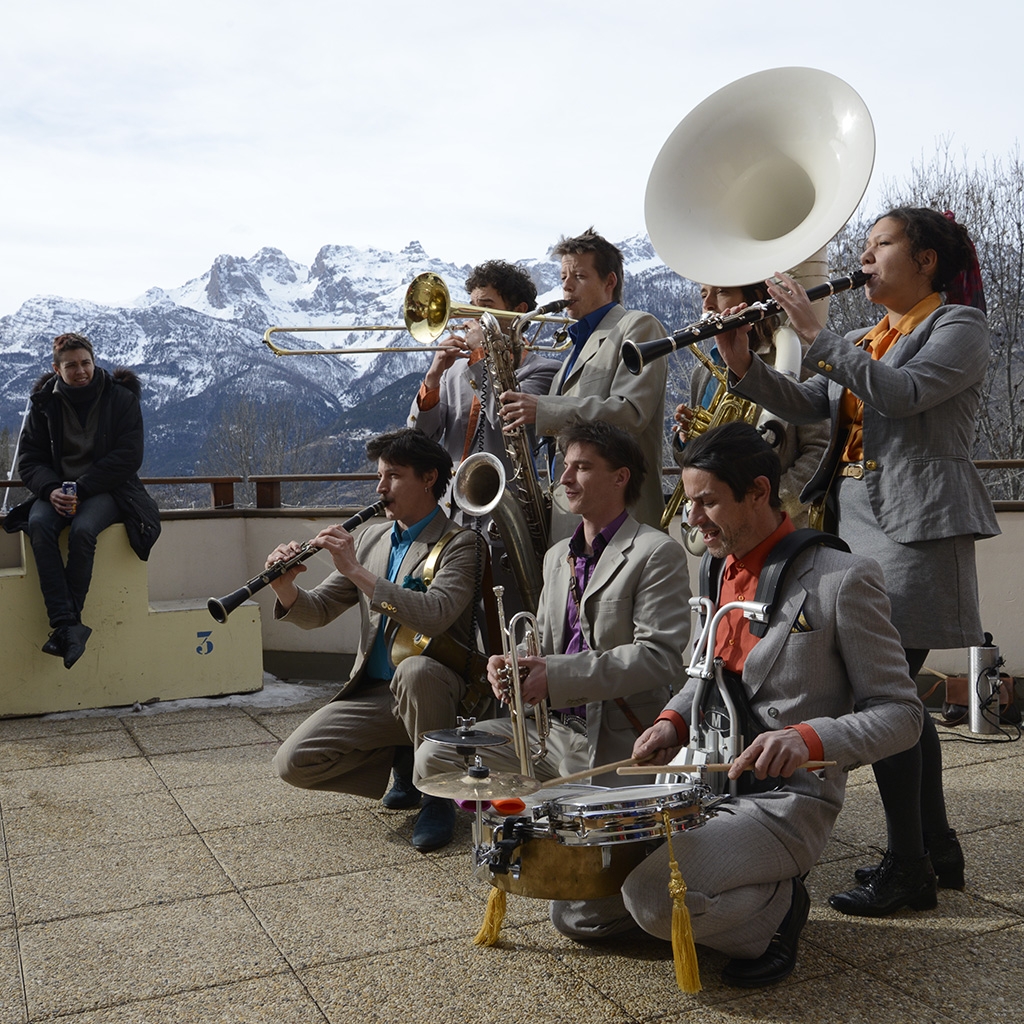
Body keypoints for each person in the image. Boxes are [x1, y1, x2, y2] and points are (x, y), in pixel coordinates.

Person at [553, 422, 923, 987]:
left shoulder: (843, 579)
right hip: (699, 786)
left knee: (652, 900)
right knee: (575, 908)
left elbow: (902, 714)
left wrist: (809, 738)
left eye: (707, 502)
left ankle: (777, 912)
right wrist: (671, 721)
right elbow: (704, 674)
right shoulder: (713, 568)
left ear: (757, 491)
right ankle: (720, 899)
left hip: (785, 802)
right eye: (690, 500)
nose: (692, 519)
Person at [716, 207, 1000, 916]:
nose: (864, 258)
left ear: (926, 260)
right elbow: (814, 405)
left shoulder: (958, 327)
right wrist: (741, 359)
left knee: (883, 699)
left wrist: (815, 333)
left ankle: (908, 869)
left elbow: (900, 396)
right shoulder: (870, 335)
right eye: (864, 247)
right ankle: (935, 847)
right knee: (898, 699)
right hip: (857, 529)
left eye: (880, 246)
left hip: (913, 532)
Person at [415, 418, 690, 814]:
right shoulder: (556, 556)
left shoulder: (656, 551)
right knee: (433, 758)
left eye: (582, 466)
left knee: (557, 814)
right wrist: (510, 666)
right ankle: (520, 815)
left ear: (620, 478)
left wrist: (555, 677)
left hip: (610, 737)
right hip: (547, 731)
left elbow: (658, 658)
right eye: (565, 466)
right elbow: (539, 645)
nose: (565, 478)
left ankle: (529, 817)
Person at [269, 428, 487, 852]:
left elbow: (436, 614)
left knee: (415, 670)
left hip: (438, 688)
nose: (380, 488)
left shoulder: (463, 544)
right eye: (379, 476)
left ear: (429, 479)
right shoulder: (372, 538)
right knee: (293, 763)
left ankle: (436, 796)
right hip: (377, 694)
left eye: (393, 476)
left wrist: (356, 571)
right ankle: (403, 757)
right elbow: (318, 611)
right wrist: (284, 587)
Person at [408, 260, 561, 612]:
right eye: (470, 304)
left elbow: (508, 421)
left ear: (518, 312)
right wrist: (432, 378)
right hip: (450, 514)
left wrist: (481, 357)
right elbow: (420, 440)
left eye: (485, 306)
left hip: (507, 517)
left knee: (505, 613)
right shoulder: (454, 372)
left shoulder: (542, 370)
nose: (471, 316)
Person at [497, 228, 668, 542]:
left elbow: (630, 414)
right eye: (563, 277)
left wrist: (544, 409)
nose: (566, 286)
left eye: (579, 276)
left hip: (621, 518)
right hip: (570, 519)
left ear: (609, 282)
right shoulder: (570, 353)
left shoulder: (638, 326)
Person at [3, 332, 160, 668]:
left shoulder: (120, 398)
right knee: (39, 524)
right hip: (56, 490)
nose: (81, 370)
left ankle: (64, 626)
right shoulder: (44, 404)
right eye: (71, 365)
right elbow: (30, 459)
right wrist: (50, 490)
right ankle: (68, 626)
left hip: (108, 489)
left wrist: (83, 488)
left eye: (85, 362)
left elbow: (129, 456)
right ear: (57, 369)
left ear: (94, 361)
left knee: (84, 530)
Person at [671, 282, 829, 527]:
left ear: (754, 298)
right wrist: (686, 440)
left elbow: (820, 451)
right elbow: (699, 462)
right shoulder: (701, 375)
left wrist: (768, 505)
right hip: (718, 528)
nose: (707, 304)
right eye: (703, 294)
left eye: (721, 292)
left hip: (778, 527)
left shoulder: (799, 359)